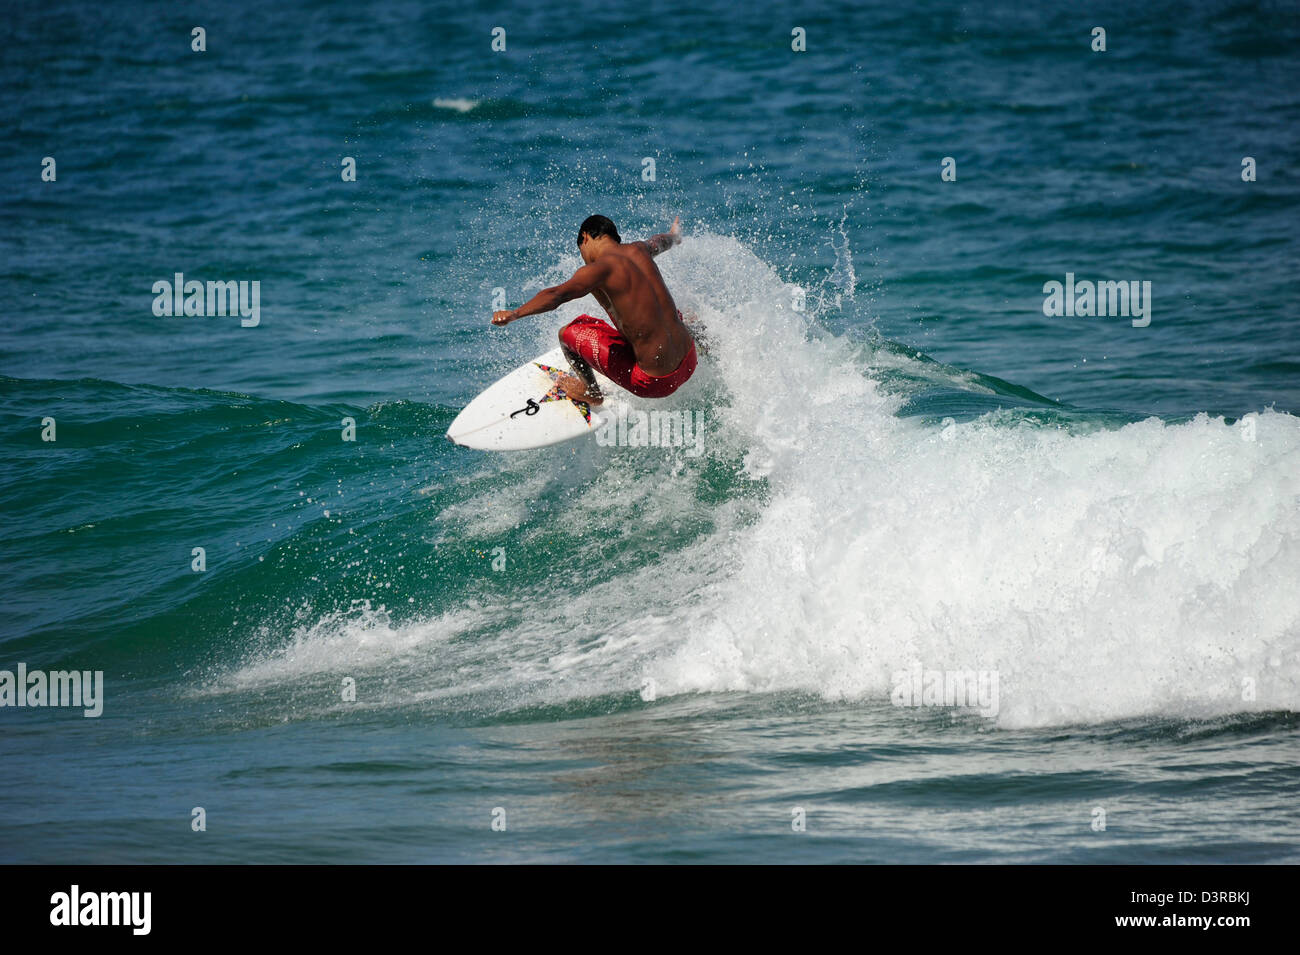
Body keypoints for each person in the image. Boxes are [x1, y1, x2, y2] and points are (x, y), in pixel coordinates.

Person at [491, 215, 695, 406]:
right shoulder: (640, 249)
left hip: (654, 383)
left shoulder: (600, 269)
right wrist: (675, 235)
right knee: (668, 315)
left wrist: (515, 313)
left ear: (585, 237)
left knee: (567, 333)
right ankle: (702, 341)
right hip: (689, 360)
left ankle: (591, 393)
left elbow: (556, 295)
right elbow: (660, 241)